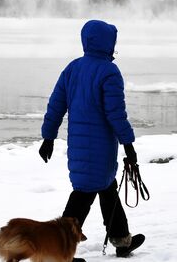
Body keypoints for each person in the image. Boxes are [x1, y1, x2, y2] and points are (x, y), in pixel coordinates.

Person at [39, 19, 140, 260]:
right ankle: (59, 250)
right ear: (107, 43)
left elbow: (56, 106)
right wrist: (128, 145)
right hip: (102, 148)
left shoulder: (73, 68)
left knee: (106, 188)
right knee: (84, 195)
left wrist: (49, 137)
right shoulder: (109, 71)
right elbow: (116, 114)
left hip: (79, 146)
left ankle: (121, 239)